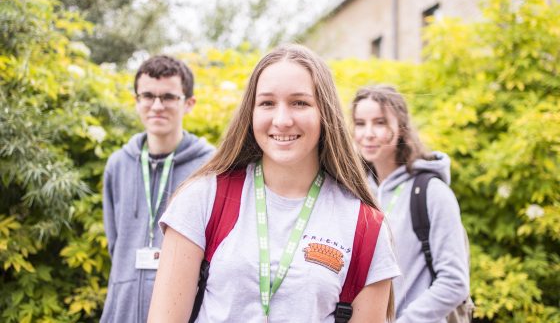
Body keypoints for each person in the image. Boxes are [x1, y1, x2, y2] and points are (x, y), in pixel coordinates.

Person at [148, 44, 400, 322]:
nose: (282, 120)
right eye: (267, 103)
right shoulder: (202, 199)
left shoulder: (366, 228)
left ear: (325, 113)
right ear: (251, 112)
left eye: (299, 103)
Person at [101, 55, 215, 323]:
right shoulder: (118, 164)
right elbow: (115, 244)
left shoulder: (211, 167)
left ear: (189, 103)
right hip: (122, 312)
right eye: (148, 96)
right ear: (136, 101)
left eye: (168, 97)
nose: (157, 106)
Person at [351, 85, 470, 322]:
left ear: (402, 129)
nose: (368, 133)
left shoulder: (431, 192)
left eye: (380, 122)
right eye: (360, 123)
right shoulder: (354, 191)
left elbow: (455, 282)